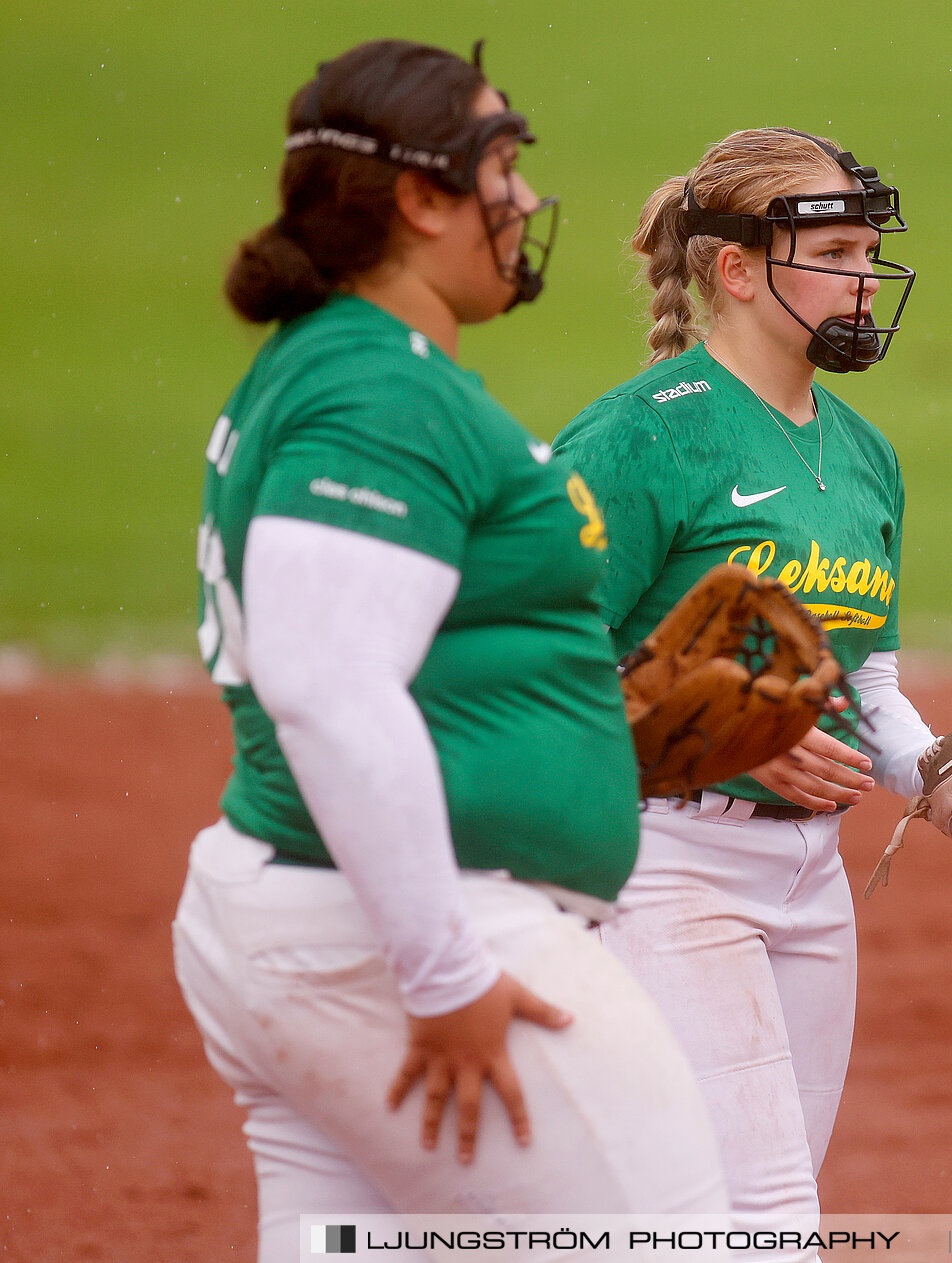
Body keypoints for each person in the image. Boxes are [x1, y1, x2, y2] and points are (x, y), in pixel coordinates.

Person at [171, 39, 727, 1259]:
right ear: (419, 198)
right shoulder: (380, 392)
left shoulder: (339, 367)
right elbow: (323, 686)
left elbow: (402, 644)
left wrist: (584, 708)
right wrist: (439, 970)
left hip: (317, 919)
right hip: (408, 934)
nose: (524, 199)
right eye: (501, 164)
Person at [553, 128, 940, 1255]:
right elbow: (529, 650)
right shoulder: (641, 436)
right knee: (757, 1221)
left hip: (814, 883)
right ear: (735, 269)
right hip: (662, 862)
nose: (867, 275)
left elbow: (869, 687)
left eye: (872, 249)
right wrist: (719, 735)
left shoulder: (865, 455)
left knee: (730, 1209)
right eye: (838, 249)